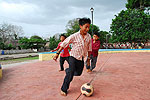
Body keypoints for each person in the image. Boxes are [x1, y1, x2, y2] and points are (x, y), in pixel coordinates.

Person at [53, 18, 92, 96]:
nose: (87, 29)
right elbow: (64, 43)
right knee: (70, 74)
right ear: (80, 26)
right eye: (86, 27)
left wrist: (88, 59)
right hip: (73, 57)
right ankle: (64, 89)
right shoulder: (74, 36)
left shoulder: (89, 37)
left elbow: (89, 48)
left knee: (78, 73)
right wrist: (57, 53)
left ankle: (68, 70)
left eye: (88, 27)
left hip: (81, 58)